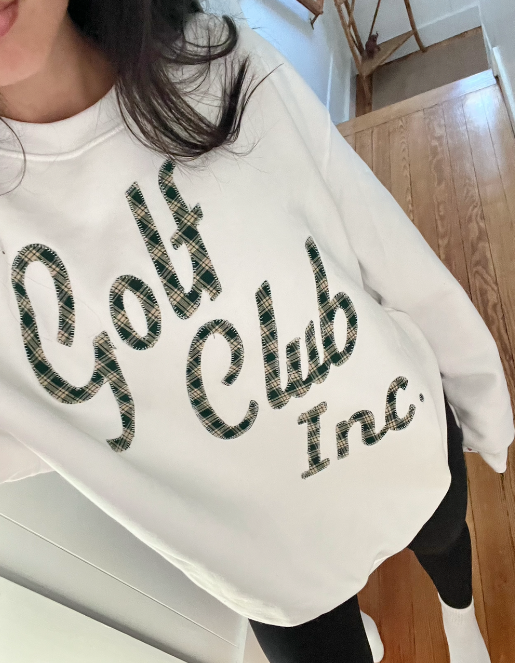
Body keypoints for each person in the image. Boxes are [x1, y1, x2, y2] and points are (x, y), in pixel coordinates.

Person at [0, 2, 512, 662]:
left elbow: (384, 246)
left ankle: (458, 615)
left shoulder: (218, 62)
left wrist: (480, 397)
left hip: (395, 435)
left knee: (444, 538)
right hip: (274, 569)